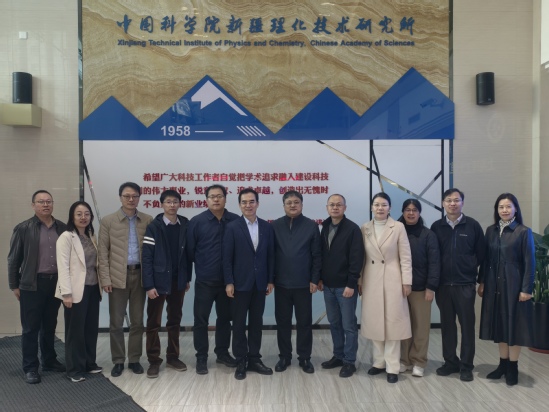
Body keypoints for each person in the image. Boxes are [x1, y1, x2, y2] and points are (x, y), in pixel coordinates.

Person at [8, 190, 67, 384]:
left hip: (55, 283)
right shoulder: (23, 228)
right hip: (32, 284)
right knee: (30, 328)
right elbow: (13, 259)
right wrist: (14, 285)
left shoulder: (62, 228)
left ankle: (49, 360)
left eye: (49, 201)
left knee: (49, 325)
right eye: (41, 202)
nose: (45, 205)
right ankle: (30, 367)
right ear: (33, 205)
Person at [478, 193, 535, 386]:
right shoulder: (491, 231)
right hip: (494, 285)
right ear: (497, 210)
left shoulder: (523, 231)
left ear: (515, 209)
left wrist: (526, 289)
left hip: (514, 286)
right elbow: (485, 259)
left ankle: (513, 367)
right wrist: (482, 281)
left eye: (508, 206)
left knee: (514, 327)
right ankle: (502, 365)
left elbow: (530, 262)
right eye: (501, 207)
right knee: (500, 324)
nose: (504, 210)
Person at [98, 182, 153, 377]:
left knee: (137, 321)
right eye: (127, 196)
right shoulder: (108, 221)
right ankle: (118, 360)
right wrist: (105, 279)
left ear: (139, 197)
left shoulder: (147, 220)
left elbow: (152, 252)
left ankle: (135, 359)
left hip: (140, 276)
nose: (131, 199)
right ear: (120, 197)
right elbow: (102, 253)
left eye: (135, 196)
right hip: (116, 277)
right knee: (116, 322)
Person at [430, 188, 485, 382]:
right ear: (443, 203)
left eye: (456, 200)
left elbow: (482, 255)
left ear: (462, 202)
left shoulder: (473, 226)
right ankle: (450, 362)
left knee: (467, 326)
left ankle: (466, 365)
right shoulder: (436, 227)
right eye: (448, 200)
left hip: (465, 285)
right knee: (447, 326)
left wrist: (480, 280)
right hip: (443, 285)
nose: (452, 204)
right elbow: (432, 257)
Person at [359, 192, 412, 384]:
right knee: (375, 322)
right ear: (371, 207)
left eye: (384, 205)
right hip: (371, 279)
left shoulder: (398, 227)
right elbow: (361, 257)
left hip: (393, 279)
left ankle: (392, 366)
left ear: (390, 208)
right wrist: (359, 280)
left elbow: (405, 256)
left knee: (392, 324)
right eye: (376, 204)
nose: (380, 208)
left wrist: (407, 281)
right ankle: (379, 362)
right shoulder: (365, 228)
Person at [187, 184, 239, 375]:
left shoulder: (235, 220)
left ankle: (222, 353)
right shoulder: (197, 222)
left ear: (225, 198)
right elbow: (190, 252)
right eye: (212, 196)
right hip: (205, 281)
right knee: (201, 320)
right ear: (206, 199)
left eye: (219, 196)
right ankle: (201, 357)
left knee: (225, 319)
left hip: (228, 283)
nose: (216, 199)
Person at [223, 188, 275, 380]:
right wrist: (229, 281)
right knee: (238, 324)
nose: (248, 205)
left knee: (256, 322)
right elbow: (226, 258)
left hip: (260, 284)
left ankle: (254, 358)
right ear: (239, 205)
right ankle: (241, 360)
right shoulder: (232, 227)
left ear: (257, 204)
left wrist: (270, 280)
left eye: (251, 201)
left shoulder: (267, 227)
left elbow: (270, 255)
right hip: (239, 284)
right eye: (244, 202)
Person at [142, 190, 191, 378]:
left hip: (178, 281)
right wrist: (149, 285)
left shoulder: (185, 224)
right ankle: (154, 360)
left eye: (175, 201)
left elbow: (188, 255)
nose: (172, 205)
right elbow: (147, 257)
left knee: (174, 320)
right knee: (153, 322)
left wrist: (187, 278)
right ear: (161, 204)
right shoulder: (154, 227)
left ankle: (173, 357)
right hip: (158, 281)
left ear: (180, 204)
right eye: (168, 202)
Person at [272, 190, 321, 374]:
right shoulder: (275, 225)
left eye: (296, 202)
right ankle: (284, 356)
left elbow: (317, 255)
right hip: (281, 284)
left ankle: (305, 357)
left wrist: (314, 279)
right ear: (283, 205)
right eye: (289, 202)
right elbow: (270, 255)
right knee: (282, 322)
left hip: (303, 284)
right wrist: (271, 280)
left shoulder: (311, 226)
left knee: (304, 322)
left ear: (301, 204)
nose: (292, 205)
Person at [55, 201, 102, 382]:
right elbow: (63, 267)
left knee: (90, 329)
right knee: (75, 332)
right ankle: (74, 369)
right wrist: (66, 293)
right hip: (74, 291)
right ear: (72, 216)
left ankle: (89, 363)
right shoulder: (66, 237)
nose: (83, 217)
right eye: (79, 214)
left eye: (87, 214)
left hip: (93, 288)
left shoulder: (91, 235)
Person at [318, 194, 364, 378]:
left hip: (345, 287)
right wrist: (320, 278)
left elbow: (356, 258)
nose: (335, 207)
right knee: (334, 323)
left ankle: (349, 361)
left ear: (345, 207)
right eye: (332, 205)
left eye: (339, 205)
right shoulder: (325, 227)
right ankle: (338, 356)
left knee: (349, 325)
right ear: (327, 207)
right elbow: (321, 255)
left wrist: (351, 283)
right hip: (328, 286)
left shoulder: (352, 229)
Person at [397, 199, 440, 378]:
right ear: (403, 212)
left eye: (414, 210)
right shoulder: (396, 231)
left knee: (420, 327)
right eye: (407, 209)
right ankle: (404, 360)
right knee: (403, 327)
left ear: (419, 212)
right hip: (398, 288)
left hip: (421, 288)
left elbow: (435, 262)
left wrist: (431, 287)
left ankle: (419, 361)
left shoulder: (428, 235)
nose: (411, 213)